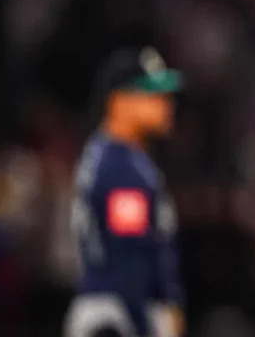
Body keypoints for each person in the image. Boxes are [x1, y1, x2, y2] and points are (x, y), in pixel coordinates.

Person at [63, 46, 186, 337]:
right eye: (152, 94)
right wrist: (143, 326)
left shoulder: (115, 155)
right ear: (119, 101)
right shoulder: (120, 167)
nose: (165, 103)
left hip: (112, 308)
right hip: (116, 316)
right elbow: (128, 260)